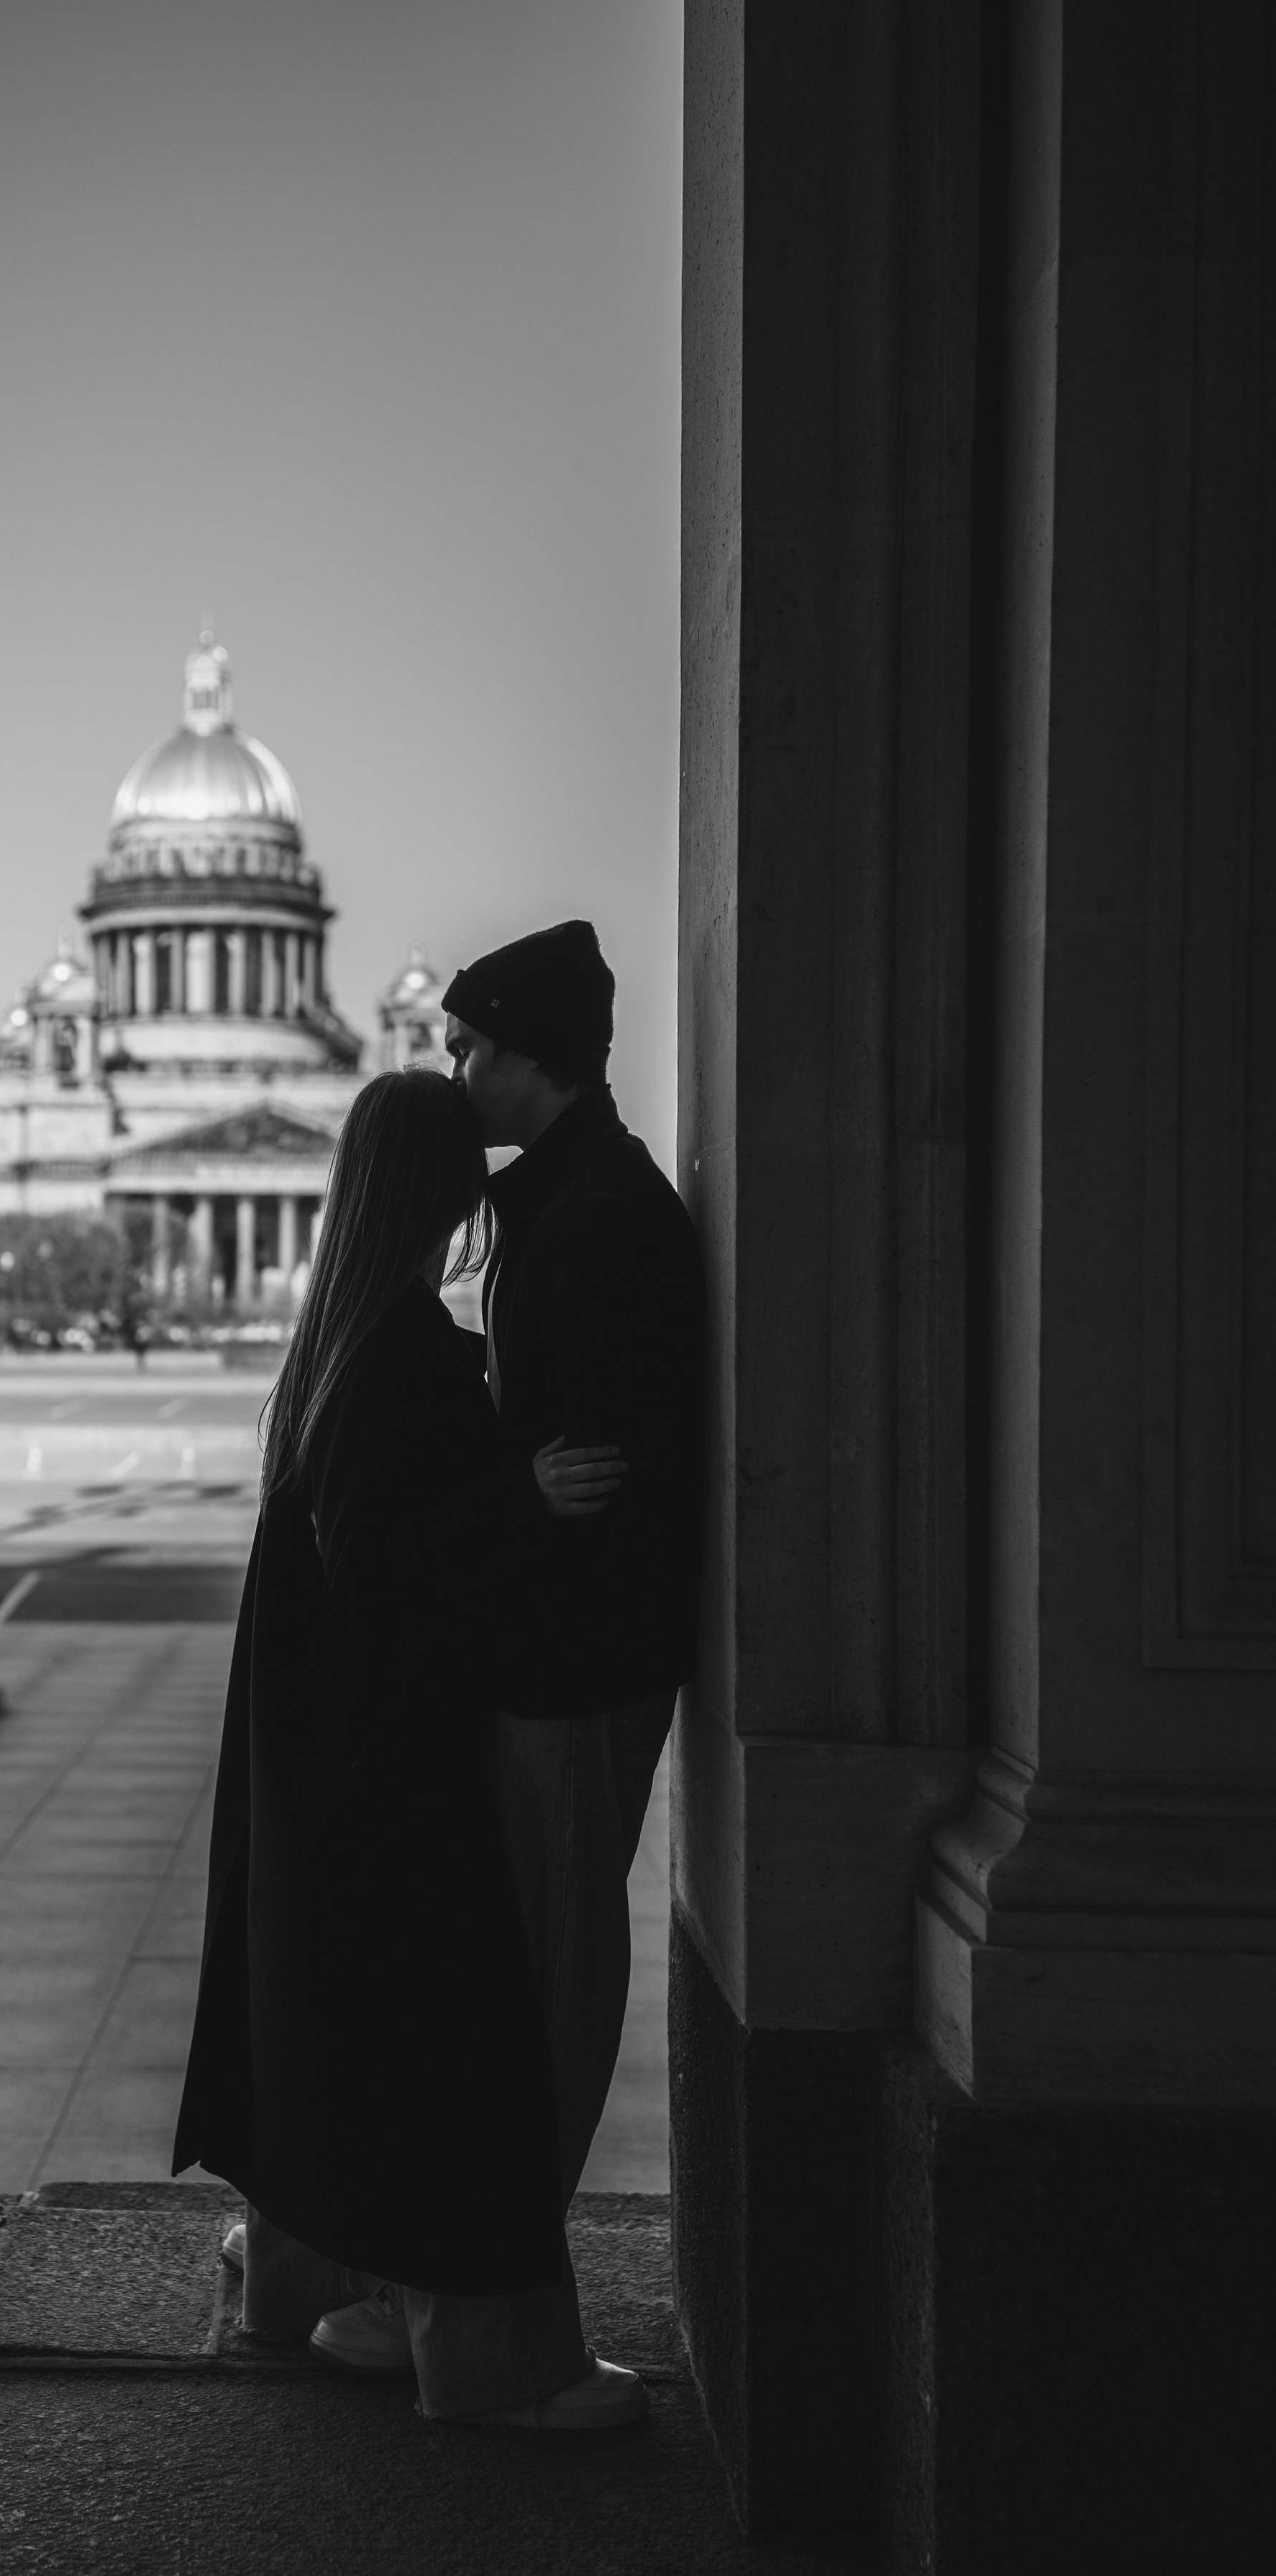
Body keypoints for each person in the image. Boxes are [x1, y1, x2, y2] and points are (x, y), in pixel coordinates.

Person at [172, 1069, 646, 2426]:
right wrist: (525, 1497)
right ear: (444, 1192)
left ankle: (306, 2278)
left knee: (328, 2029)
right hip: (395, 1777)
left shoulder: (331, 1342)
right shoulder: (415, 1354)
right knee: (458, 2055)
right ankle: (487, 2358)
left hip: (313, 1774)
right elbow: (395, 1570)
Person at [437, 915, 703, 2204]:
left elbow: (585, 1476)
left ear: (530, 1057)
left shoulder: (589, 1219)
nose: (455, 1079)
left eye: (468, 1049)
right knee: (535, 1968)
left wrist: (493, 1492)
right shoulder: (574, 1196)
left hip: (571, 1662)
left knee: (551, 1978)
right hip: (569, 1651)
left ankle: (493, 2285)